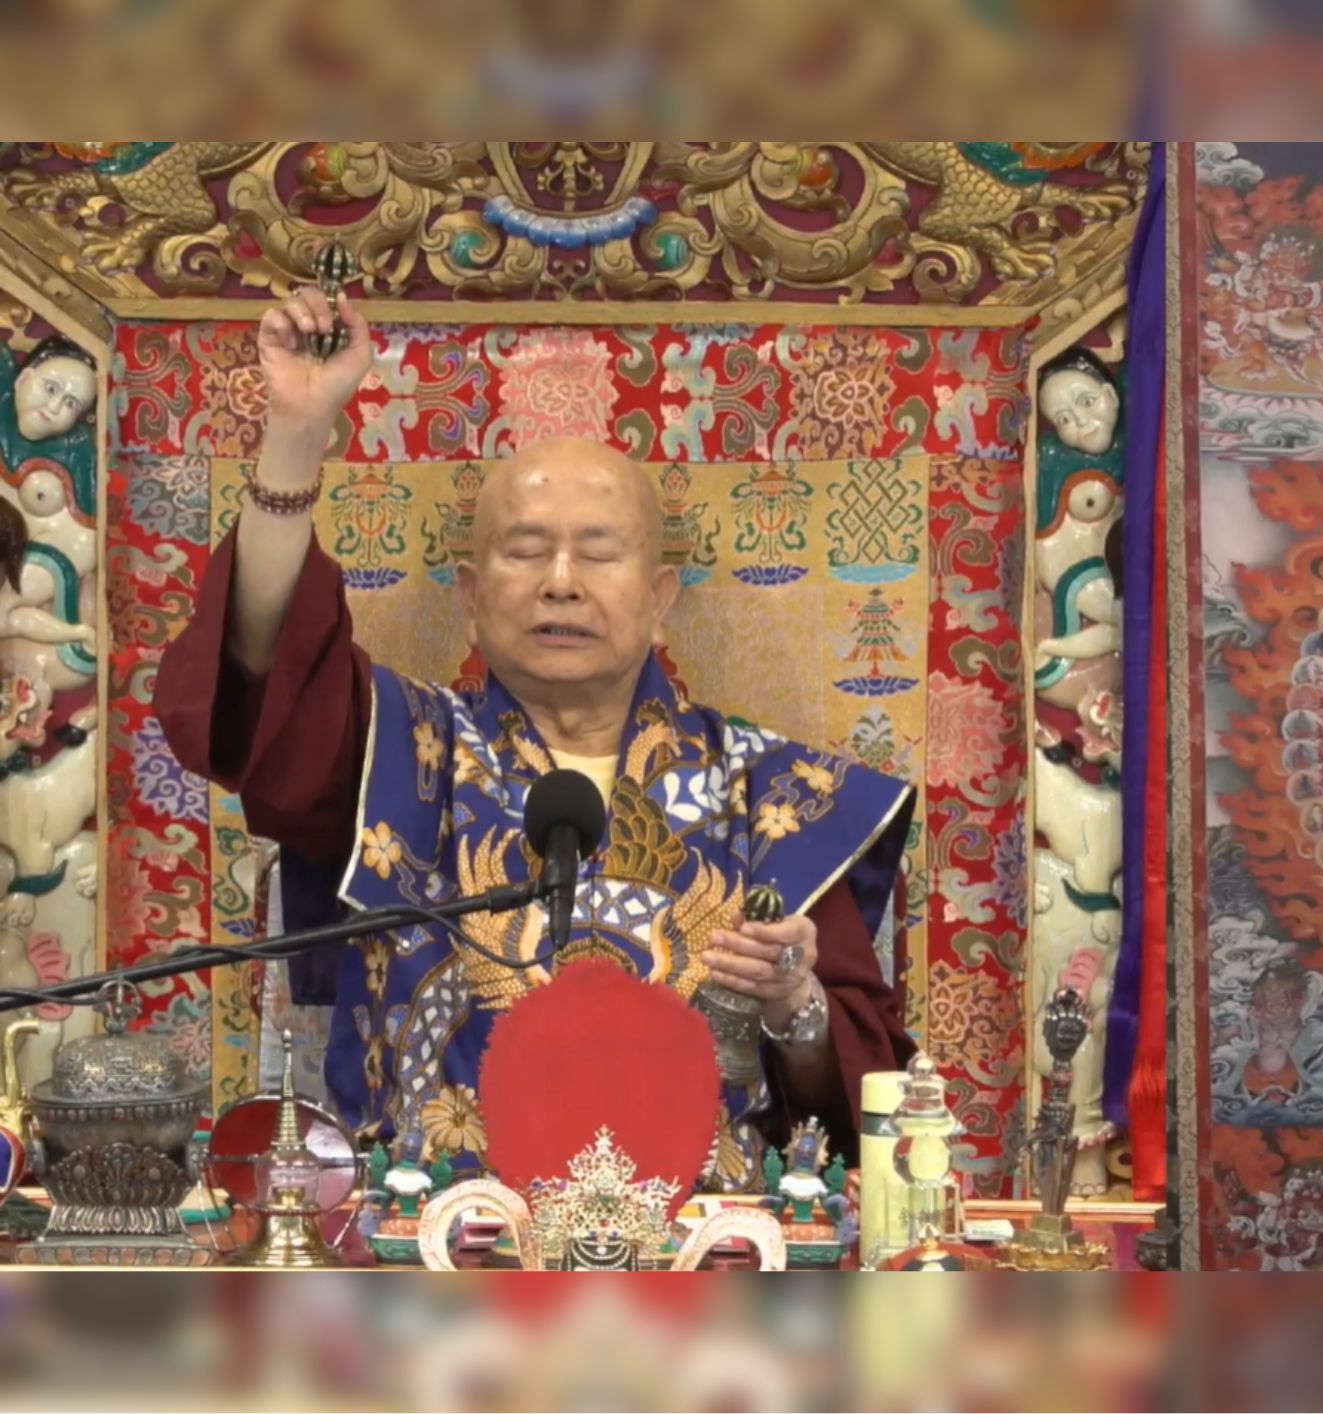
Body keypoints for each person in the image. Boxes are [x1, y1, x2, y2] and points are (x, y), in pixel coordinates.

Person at [158, 288, 916, 1187]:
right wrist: (296, 431)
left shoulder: (772, 798)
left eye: (597, 552)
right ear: (471, 597)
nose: (561, 581)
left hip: (701, 1249)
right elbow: (264, 676)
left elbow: (864, 1110)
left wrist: (796, 1007)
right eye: (525, 551)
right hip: (429, 1235)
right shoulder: (396, 752)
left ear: (659, 600)